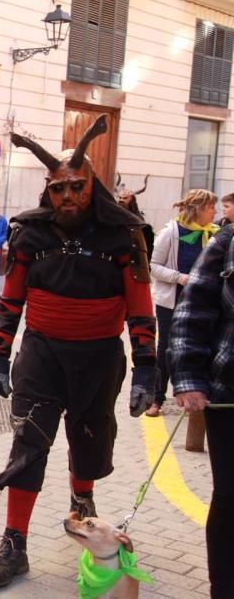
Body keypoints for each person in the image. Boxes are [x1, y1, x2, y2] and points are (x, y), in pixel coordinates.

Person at [0, 115, 157, 589]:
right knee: (29, 443)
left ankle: (83, 506)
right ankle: (14, 542)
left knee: (90, 437)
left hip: (99, 356)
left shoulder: (123, 233)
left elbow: (140, 305)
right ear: (48, 192)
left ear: (91, 185)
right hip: (42, 355)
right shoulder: (30, 234)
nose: (68, 197)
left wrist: (146, 370)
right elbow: (11, 298)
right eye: (58, 189)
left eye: (77, 187)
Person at [168, 222, 234, 599]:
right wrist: (189, 377)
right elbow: (193, 308)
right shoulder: (228, 241)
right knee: (230, 494)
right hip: (229, 393)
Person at [147, 189, 219, 417]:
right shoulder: (171, 232)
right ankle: (156, 398)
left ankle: (194, 394)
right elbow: (153, 266)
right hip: (172, 301)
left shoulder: (214, 234)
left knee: (201, 348)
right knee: (167, 349)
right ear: (198, 209)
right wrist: (180, 277)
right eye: (210, 208)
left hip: (201, 303)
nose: (214, 212)